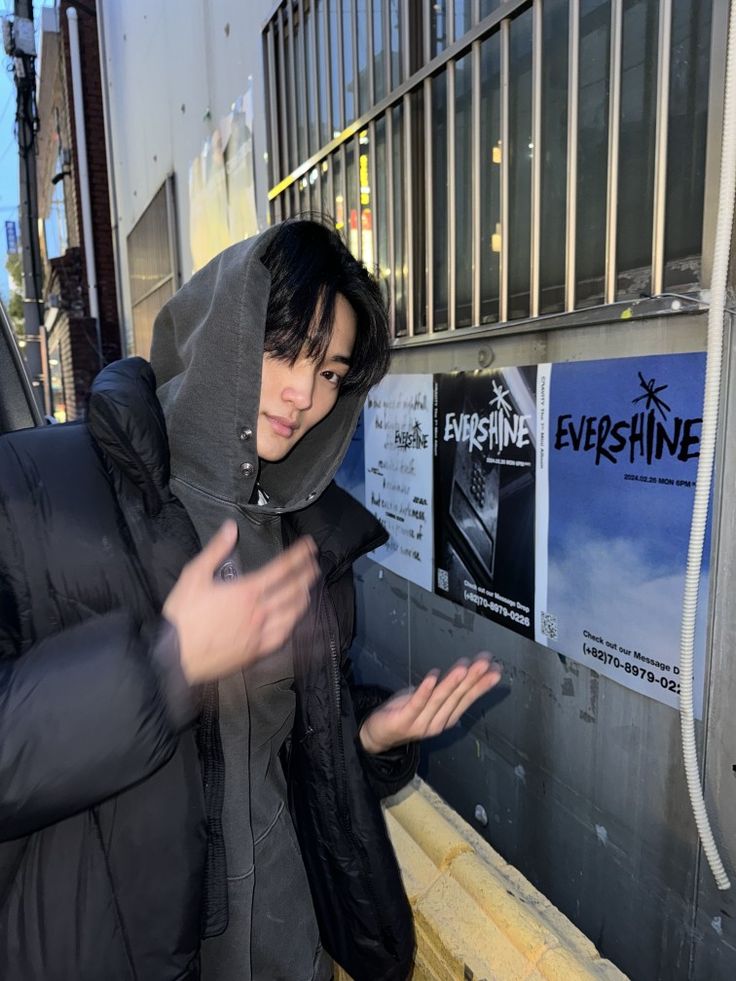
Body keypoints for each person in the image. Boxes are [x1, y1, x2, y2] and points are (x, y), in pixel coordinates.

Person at [0, 218, 501, 981]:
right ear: (223, 325)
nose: (304, 394)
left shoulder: (303, 532)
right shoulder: (42, 491)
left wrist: (364, 736)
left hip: (287, 949)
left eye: (332, 372)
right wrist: (162, 667)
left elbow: (278, 758)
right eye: (284, 350)